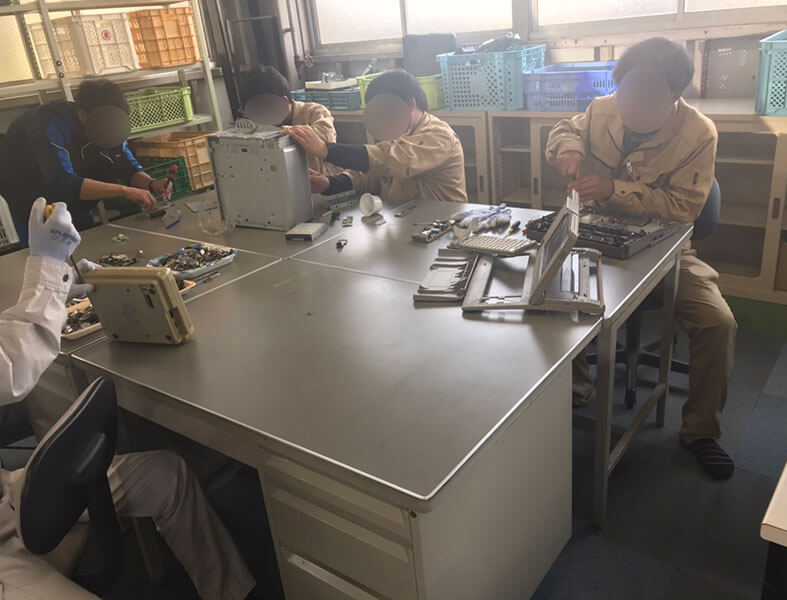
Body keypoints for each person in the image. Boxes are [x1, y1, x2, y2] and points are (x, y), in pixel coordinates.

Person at [0, 199, 256, 600]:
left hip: (11, 495)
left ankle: (230, 593)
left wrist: (54, 292)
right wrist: (46, 273)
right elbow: (8, 371)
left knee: (166, 475)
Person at [546, 37, 737, 481]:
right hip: (595, 234)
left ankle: (701, 431)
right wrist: (568, 148)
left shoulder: (698, 133)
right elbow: (566, 127)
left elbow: (684, 208)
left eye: (650, 95)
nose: (634, 105)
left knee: (718, 322)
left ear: (675, 95)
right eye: (627, 91)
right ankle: (575, 389)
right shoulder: (602, 110)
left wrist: (614, 189)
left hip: (664, 246)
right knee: (548, 289)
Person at [0, 79, 170, 248]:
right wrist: (124, 191)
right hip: (34, 199)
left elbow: (125, 164)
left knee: (88, 245)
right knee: (46, 255)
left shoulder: (109, 124)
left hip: (76, 201)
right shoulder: (49, 124)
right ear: (83, 115)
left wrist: (151, 183)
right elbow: (64, 183)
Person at [284, 69, 467, 204]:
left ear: (410, 104)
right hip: (406, 221)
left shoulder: (440, 136)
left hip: (443, 225)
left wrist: (326, 150)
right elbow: (370, 174)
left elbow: (392, 160)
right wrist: (329, 183)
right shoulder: (399, 132)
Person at [241, 65, 339, 175]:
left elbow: (326, 138)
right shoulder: (255, 123)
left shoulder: (315, 111)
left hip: (321, 180)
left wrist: (280, 132)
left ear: (284, 101)